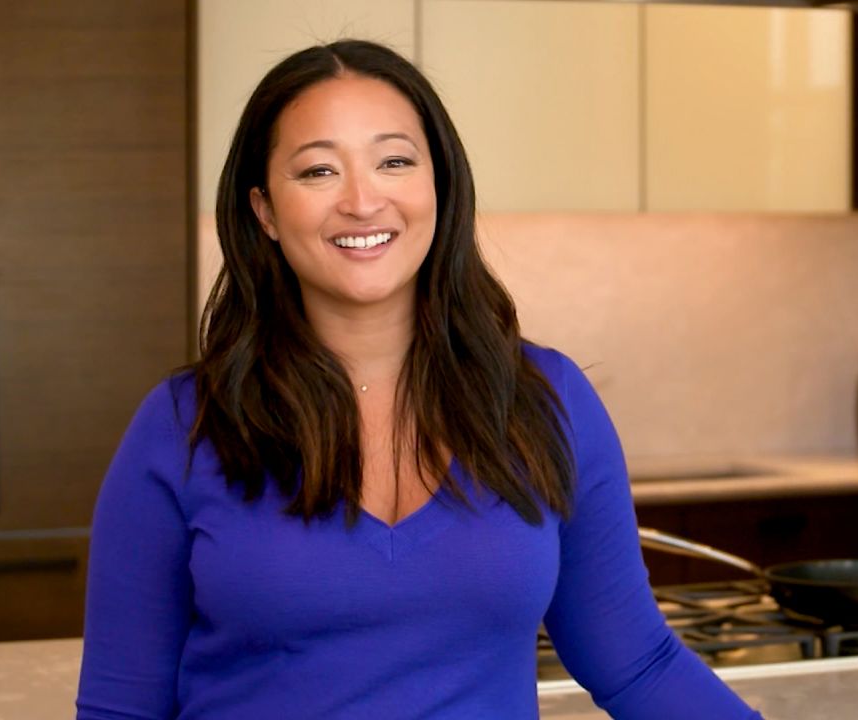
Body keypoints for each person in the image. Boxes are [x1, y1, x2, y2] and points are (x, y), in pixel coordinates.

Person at [76, 39, 762, 720]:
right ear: (264, 212)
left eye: (395, 161)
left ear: (439, 185)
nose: (362, 200)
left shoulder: (542, 401)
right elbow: (121, 710)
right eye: (318, 172)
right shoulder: (183, 427)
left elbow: (636, 662)